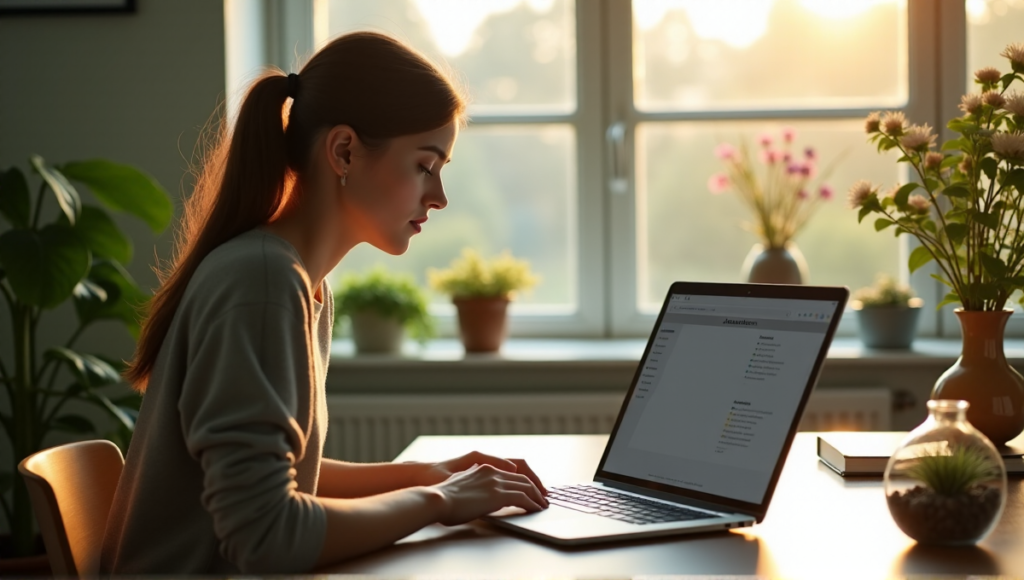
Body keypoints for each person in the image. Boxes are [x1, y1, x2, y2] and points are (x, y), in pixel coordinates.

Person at [101, 32, 549, 575]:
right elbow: (267, 538)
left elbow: (285, 475)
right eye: (424, 165)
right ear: (344, 151)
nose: (439, 196)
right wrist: (444, 501)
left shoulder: (299, 282)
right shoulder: (263, 282)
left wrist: (429, 474)